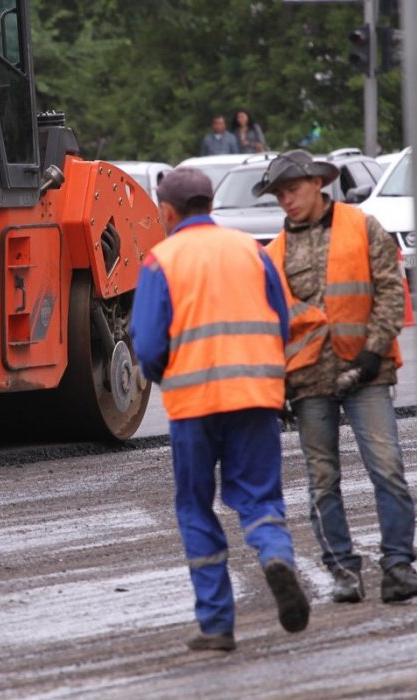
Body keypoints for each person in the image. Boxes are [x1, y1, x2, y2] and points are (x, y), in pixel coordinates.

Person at [129, 167, 310, 652]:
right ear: (210, 204)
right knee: (258, 498)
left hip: (195, 403)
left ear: (167, 212)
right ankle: (275, 557)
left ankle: (217, 624)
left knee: (195, 506)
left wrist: (168, 373)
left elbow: (146, 345)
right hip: (256, 396)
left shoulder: (160, 261)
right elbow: (282, 321)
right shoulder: (252, 250)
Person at [256, 150, 417, 605]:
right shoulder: (273, 254)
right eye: (278, 194)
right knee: (322, 479)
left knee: (387, 469)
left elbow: (392, 287)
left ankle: (397, 568)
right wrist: (277, 390)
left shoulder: (362, 225)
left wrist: (373, 352)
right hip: (308, 382)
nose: (285, 201)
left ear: (317, 183)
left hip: (367, 372)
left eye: (291, 190)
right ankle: (344, 573)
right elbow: (272, 325)